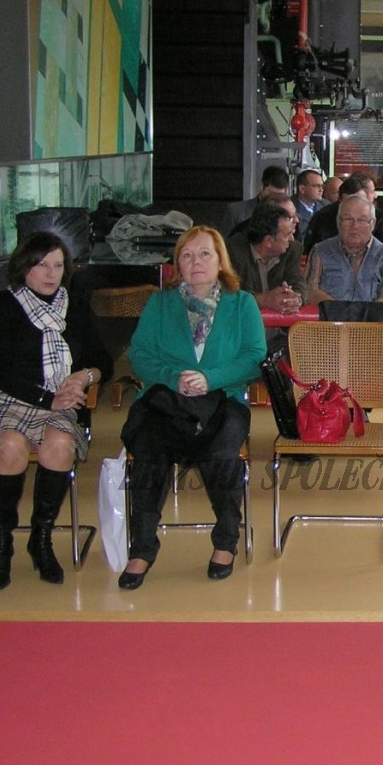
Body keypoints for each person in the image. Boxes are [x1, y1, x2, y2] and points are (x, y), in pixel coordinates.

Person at [0, 232, 112, 590]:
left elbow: (102, 360)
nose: (51, 273)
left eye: (58, 265)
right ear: (24, 267)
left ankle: (40, 539)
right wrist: (46, 400)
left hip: (58, 401)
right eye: (42, 265)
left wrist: (85, 376)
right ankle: (2, 542)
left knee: (59, 446)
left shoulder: (74, 307)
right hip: (1, 398)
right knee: (10, 445)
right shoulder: (1, 305)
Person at [118, 227, 265, 589]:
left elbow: (254, 358)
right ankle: (142, 548)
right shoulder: (160, 303)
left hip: (224, 398)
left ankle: (226, 541)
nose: (196, 262)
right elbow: (140, 355)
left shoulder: (242, 303)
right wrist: (174, 377)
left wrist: (209, 378)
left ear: (220, 261)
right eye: (187, 255)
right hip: (167, 398)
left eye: (204, 254)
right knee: (149, 449)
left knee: (223, 452)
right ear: (177, 264)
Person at [226, 199, 310, 350]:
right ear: (268, 241)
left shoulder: (292, 249)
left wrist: (295, 299)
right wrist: (264, 300)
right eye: (287, 235)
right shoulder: (230, 252)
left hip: (282, 341)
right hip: (240, 341)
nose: (292, 239)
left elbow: (298, 282)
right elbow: (228, 295)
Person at [306, 194, 383, 303]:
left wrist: (362, 313)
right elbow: (310, 291)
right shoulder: (320, 251)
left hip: (373, 314)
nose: (355, 226)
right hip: (330, 314)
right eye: (348, 219)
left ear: (373, 223)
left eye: (362, 220)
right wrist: (339, 310)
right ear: (338, 222)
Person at [303, 172, 383, 254]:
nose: (355, 225)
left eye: (358, 201)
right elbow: (311, 250)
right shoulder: (323, 216)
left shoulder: (382, 218)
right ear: (340, 202)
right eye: (348, 203)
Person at [220, 165, 289, 238]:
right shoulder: (235, 212)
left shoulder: (289, 215)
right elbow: (223, 242)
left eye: (280, 195)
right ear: (262, 186)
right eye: (272, 193)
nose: (275, 198)